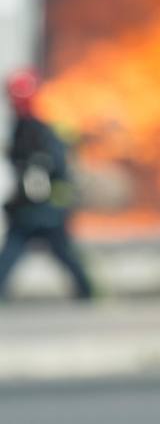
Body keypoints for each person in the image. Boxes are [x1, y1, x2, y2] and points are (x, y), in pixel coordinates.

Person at [0, 68, 93, 300]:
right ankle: (88, 292)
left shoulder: (39, 129)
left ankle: (88, 292)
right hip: (35, 208)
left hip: (44, 208)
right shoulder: (23, 128)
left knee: (61, 253)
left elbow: (54, 168)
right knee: (16, 254)